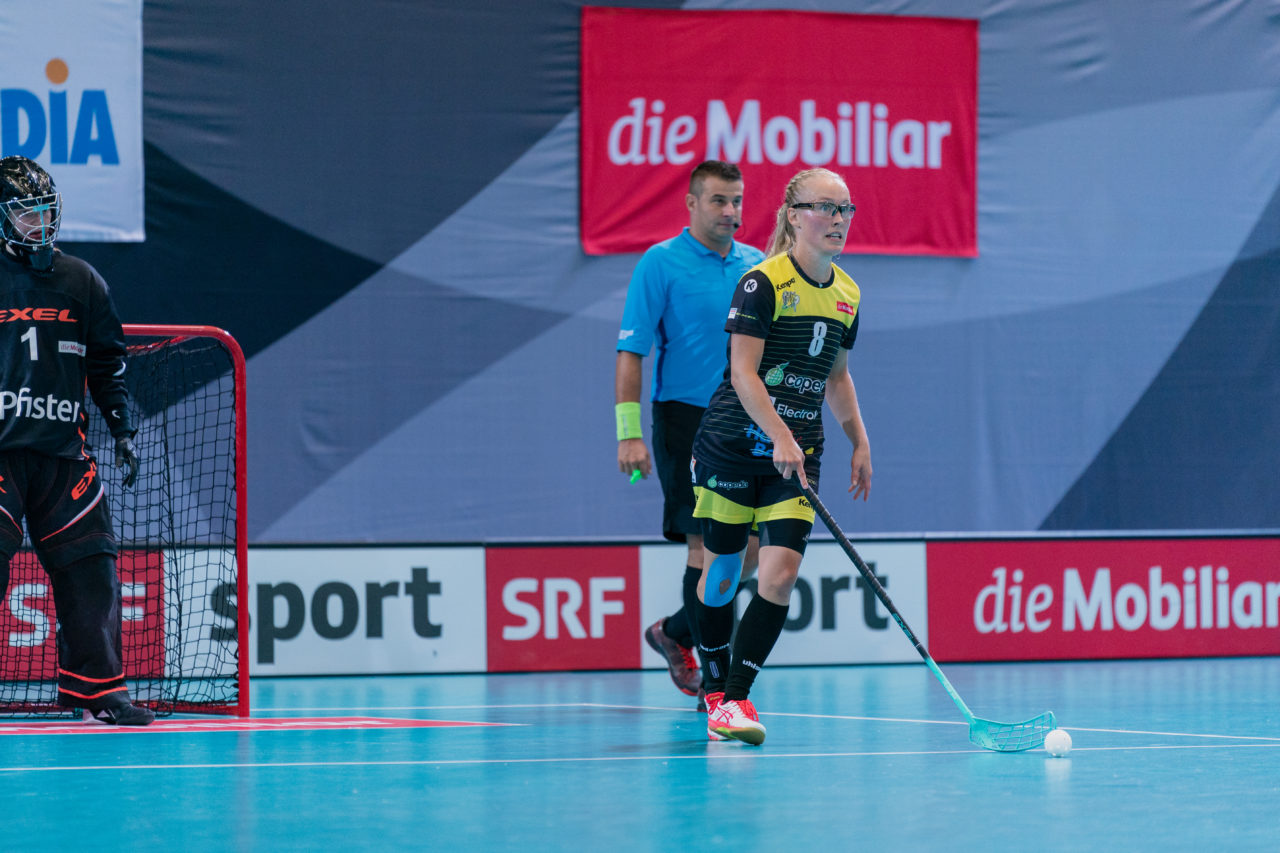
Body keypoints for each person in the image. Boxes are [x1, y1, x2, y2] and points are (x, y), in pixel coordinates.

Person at [691, 168, 871, 744]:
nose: (838, 220)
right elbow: (743, 373)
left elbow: (837, 377)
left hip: (798, 452)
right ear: (795, 215)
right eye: (826, 208)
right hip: (734, 444)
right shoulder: (760, 283)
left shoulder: (848, 293)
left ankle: (734, 701)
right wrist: (777, 433)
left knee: (781, 572)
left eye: (845, 209)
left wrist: (859, 440)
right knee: (720, 577)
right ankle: (714, 683)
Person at [0, 156, 152, 726]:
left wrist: (122, 430)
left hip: (64, 455)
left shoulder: (82, 280)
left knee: (93, 563)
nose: (38, 225)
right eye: (24, 216)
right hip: (1, 455)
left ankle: (98, 689)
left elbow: (107, 363)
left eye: (44, 213)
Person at [615, 160, 763, 708]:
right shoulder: (660, 263)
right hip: (683, 421)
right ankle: (716, 687)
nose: (731, 212)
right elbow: (631, 351)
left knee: (746, 551)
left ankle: (676, 630)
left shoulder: (757, 268)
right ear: (693, 204)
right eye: (720, 201)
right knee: (705, 548)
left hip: (743, 420)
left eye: (739, 201)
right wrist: (627, 433)